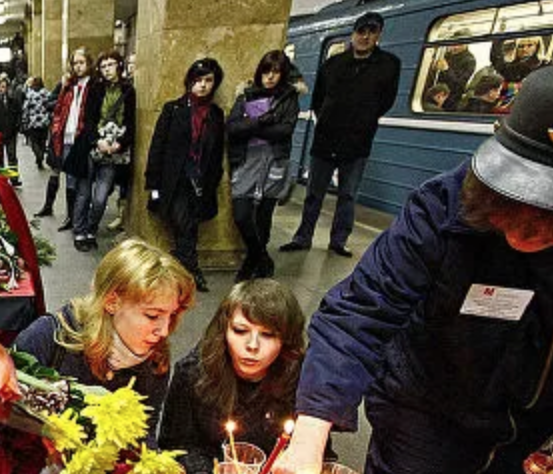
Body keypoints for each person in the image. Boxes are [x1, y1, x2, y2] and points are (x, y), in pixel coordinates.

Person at [274, 66, 553, 474]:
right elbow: (358, 314)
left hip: (534, 427)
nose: (526, 229)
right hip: (425, 405)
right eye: (516, 205)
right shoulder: (445, 206)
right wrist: (310, 430)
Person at [13, 239, 196, 445]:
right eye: (153, 316)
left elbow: (144, 435)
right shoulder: (48, 338)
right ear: (111, 302)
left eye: (172, 316)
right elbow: (6, 422)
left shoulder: (156, 360)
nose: (164, 331)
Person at [279, 11, 400, 258]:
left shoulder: (389, 65)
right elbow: (319, 99)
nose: (365, 37)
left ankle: (338, 241)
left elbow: (386, 100)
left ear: (379, 35)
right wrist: (329, 118)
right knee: (314, 193)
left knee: (347, 194)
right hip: (326, 138)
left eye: (371, 32)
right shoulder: (333, 64)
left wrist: (363, 119)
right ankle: (303, 236)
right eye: (361, 31)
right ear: (353, 33)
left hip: (358, 141)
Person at [158, 279, 306, 474]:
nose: (252, 345)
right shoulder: (192, 373)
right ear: (224, 329)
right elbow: (177, 445)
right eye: (240, 330)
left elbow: (314, 451)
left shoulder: (300, 377)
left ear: (286, 340)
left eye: (268, 334)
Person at [145, 57, 225, 293]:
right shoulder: (174, 109)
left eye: (208, 80)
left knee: (190, 224)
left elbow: (218, 150)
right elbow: (158, 144)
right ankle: (191, 269)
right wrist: (153, 181)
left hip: (201, 180)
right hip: (175, 179)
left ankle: (180, 264)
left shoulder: (215, 114)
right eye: (197, 80)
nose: (202, 85)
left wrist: (214, 179)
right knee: (184, 223)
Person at [227, 50, 300, 281]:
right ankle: (261, 257)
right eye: (266, 71)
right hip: (247, 159)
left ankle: (252, 261)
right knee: (241, 214)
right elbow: (232, 128)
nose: (270, 77)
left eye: (275, 72)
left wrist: (252, 126)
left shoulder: (289, 98)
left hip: (274, 160)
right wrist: (260, 121)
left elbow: (285, 130)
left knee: (264, 215)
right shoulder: (246, 96)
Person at [71, 49, 136, 252]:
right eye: (103, 66)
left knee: (100, 197)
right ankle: (80, 231)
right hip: (92, 147)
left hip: (114, 151)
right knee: (84, 192)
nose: (107, 69)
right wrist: (96, 141)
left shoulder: (129, 91)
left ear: (119, 65)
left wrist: (121, 143)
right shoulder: (96, 89)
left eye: (111, 65)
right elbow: (88, 119)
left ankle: (91, 228)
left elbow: (132, 122)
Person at [34, 48, 93, 228]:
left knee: (75, 180)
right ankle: (54, 208)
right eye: (75, 63)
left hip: (80, 137)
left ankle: (74, 217)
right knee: (61, 174)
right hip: (61, 136)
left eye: (81, 62)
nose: (77, 66)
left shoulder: (92, 86)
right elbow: (50, 103)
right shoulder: (66, 85)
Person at [0, 73, 23, 186]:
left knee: (12, 157)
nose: (3, 89)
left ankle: (14, 178)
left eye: (5, 87)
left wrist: (17, 126)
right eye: (0, 87)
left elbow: (18, 113)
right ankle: (2, 179)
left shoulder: (13, 101)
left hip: (11, 133)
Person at [431, 41, 476, 111]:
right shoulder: (447, 54)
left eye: (459, 44)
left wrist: (446, 69)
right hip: (436, 94)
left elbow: (459, 84)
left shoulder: (470, 61)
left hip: (451, 100)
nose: (455, 47)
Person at [21, 77, 52, 170]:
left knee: (34, 142)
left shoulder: (30, 94)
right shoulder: (46, 93)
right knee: (42, 141)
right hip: (44, 122)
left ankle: (38, 155)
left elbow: (25, 108)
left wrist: (24, 120)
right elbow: (50, 106)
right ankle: (41, 155)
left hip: (33, 122)